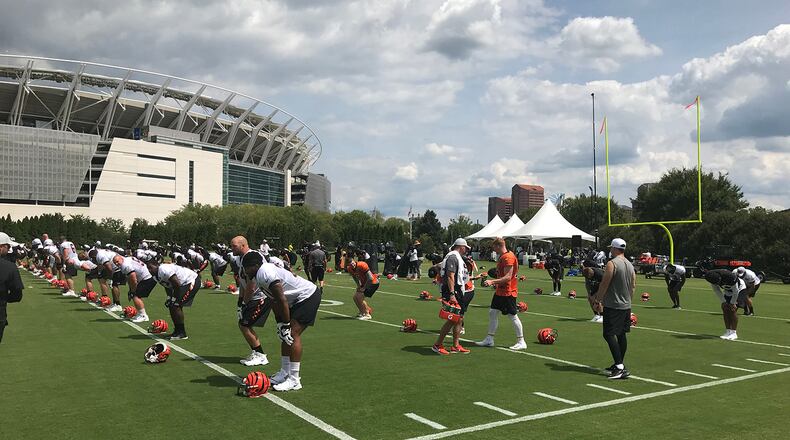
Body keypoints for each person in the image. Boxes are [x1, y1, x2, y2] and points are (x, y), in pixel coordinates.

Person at [242, 250, 322, 391]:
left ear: (254, 265)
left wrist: (286, 325)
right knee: (285, 336)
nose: (245, 271)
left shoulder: (264, 272)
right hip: (297, 299)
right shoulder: (260, 274)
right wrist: (280, 322)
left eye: (246, 267)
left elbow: (281, 299)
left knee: (292, 334)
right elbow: (273, 300)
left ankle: (295, 379)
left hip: (308, 296)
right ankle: (285, 372)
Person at [592, 238, 635, 380]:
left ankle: (619, 367)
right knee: (621, 334)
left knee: (608, 334)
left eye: (611, 248)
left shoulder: (612, 264)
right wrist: (629, 302)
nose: (610, 250)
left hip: (613, 304)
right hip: (625, 304)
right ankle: (619, 363)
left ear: (615, 249)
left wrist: (598, 300)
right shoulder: (629, 264)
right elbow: (633, 286)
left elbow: (605, 283)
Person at [476, 237, 526, 350]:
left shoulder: (508, 257)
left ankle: (521, 341)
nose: (494, 250)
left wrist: (492, 281)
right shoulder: (504, 256)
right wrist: (495, 283)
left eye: (494, 248)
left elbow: (508, 277)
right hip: (501, 290)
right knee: (493, 312)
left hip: (508, 292)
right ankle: (489, 339)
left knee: (512, 315)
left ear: (498, 246)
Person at [230, 236, 271, 367]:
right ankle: (256, 352)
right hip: (252, 297)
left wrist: (244, 303)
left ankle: (261, 355)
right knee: (244, 325)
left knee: (244, 325)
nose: (232, 249)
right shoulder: (240, 258)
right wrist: (240, 300)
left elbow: (252, 285)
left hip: (260, 296)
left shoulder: (253, 257)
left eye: (234, 246)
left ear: (243, 245)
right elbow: (243, 281)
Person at [432, 238, 472, 355]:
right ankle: (437, 344)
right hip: (453, 290)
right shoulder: (453, 257)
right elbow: (450, 276)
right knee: (452, 319)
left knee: (459, 319)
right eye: (466, 248)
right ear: (461, 247)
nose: (466, 250)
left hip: (457, 289)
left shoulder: (455, 257)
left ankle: (455, 345)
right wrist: (452, 293)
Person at [147, 260, 201, 340]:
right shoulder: (156, 275)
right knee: (172, 305)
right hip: (182, 284)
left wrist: (174, 298)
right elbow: (167, 285)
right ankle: (177, 331)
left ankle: (181, 333)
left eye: (151, 268)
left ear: (157, 265)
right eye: (148, 268)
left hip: (190, 280)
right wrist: (169, 297)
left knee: (175, 305)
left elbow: (176, 284)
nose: (149, 270)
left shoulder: (163, 269)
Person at [113, 254, 156, 323]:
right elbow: (130, 278)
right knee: (136, 295)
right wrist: (131, 290)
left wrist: (132, 291)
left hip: (146, 278)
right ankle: (140, 313)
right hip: (146, 276)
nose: (116, 264)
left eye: (117, 261)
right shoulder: (127, 259)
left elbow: (133, 277)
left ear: (121, 258)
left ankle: (143, 316)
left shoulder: (125, 265)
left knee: (135, 296)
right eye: (115, 263)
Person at [705, 269, 744, 340]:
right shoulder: (711, 277)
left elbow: (736, 291)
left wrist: (732, 303)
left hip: (739, 289)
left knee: (733, 310)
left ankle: (734, 333)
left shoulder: (730, 276)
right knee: (725, 308)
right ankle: (728, 331)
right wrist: (724, 301)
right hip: (727, 290)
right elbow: (716, 290)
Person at [0, 232, 24, 344]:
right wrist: (4, 298)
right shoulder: (9, 267)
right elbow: (17, 295)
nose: (9, 249)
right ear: (1, 247)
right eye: (8, 246)